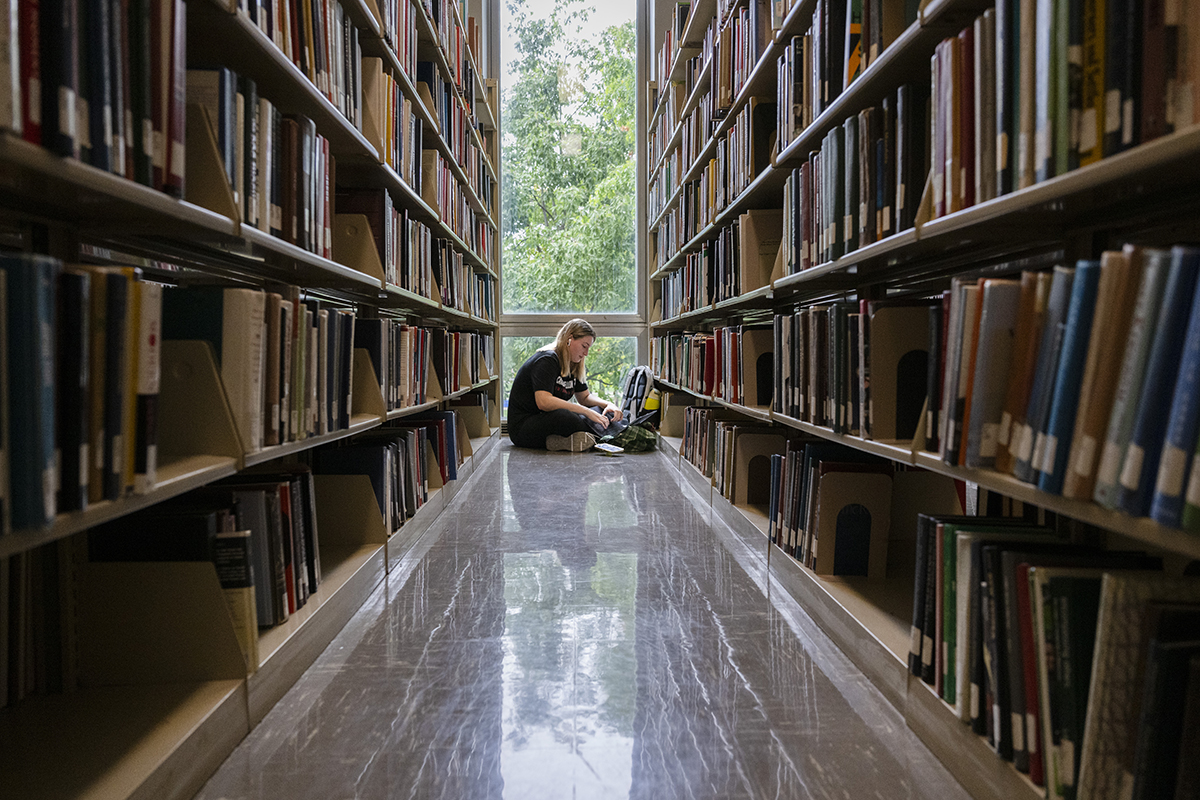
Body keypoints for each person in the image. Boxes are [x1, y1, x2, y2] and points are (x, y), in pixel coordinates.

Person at [507, 319, 624, 451]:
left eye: (588, 348)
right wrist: (586, 411)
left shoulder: (574, 363)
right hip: (523, 427)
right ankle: (607, 437)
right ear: (570, 339)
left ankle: (565, 441)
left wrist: (608, 405)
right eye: (584, 346)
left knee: (597, 410)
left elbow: (584, 398)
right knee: (568, 417)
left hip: (545, 421)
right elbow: (544, 402)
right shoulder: (547, 359)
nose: (586, 353)